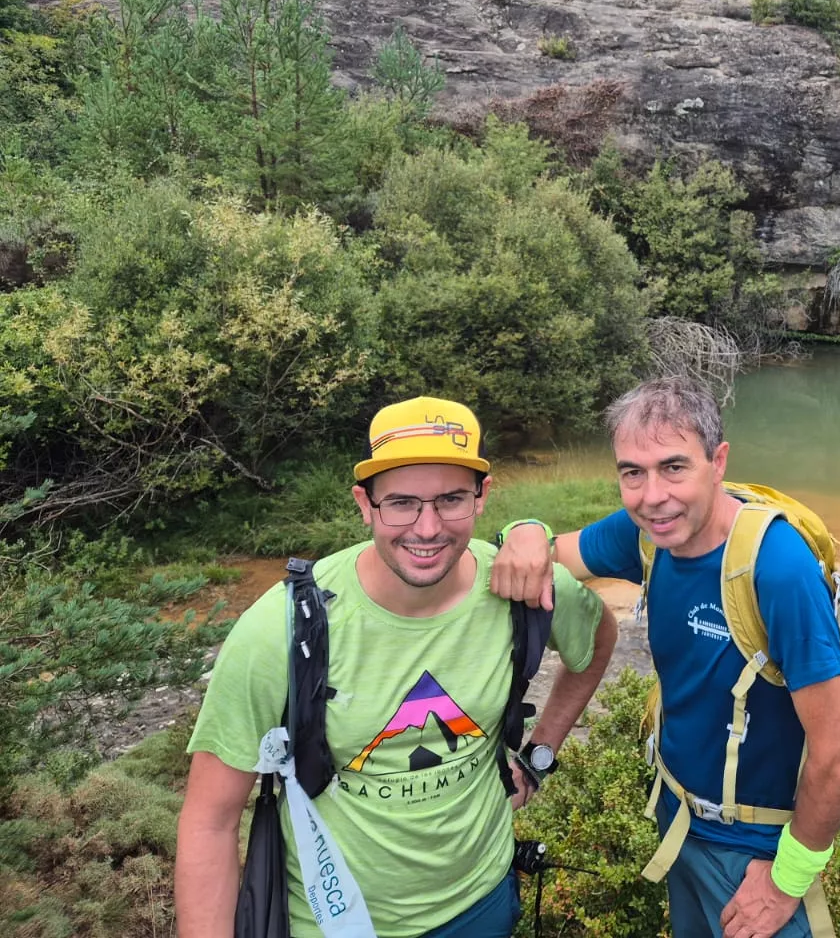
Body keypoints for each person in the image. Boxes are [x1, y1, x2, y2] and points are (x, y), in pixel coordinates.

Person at [175, 396, 617, 938]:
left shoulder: (519, 588)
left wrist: (540, 753)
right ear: (365, 504)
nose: (427, 529)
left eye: (451, 499)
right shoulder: (284, 626)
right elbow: (210, 822)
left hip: (482, 903)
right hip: (334, 921)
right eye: (401, 503)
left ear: (483, 497)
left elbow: (597, 640)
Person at [491, 378, 840, 938]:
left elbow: (838, 754)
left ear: (718, 461)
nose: (651, 495)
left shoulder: (775, 568)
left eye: (673, 467)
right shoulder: (647, 534)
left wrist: (786, 881)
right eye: (631, 473)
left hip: (757, 852)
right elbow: (553, 552)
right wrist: (524, 530)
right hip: (679, 823)